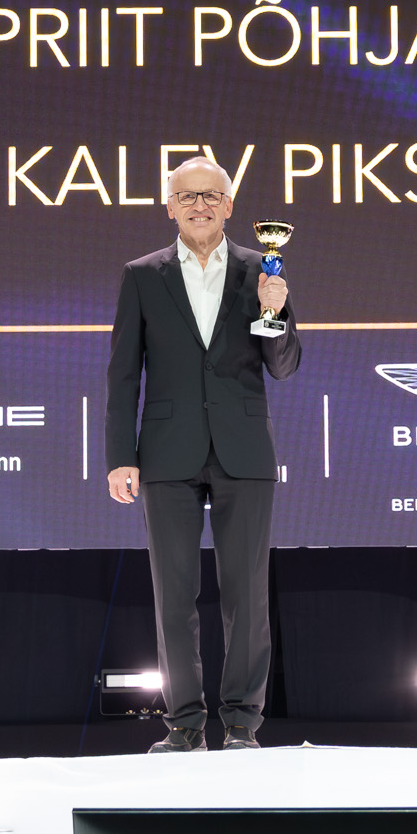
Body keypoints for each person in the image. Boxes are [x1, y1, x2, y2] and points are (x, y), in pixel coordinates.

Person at [105, 156, 302, 751]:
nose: (199, 205)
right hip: (167, 453)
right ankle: (185, 725)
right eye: (186, 196)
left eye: (210, 195)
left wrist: (275, 314)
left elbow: (284, 366)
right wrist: (120, 455)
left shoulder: (261, 270)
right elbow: (123, 375)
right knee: (174, 595)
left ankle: (242, 723)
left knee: (247, 594)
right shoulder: (142, 275)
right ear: (169, 207)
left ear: (229, 205)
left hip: (244, 449)